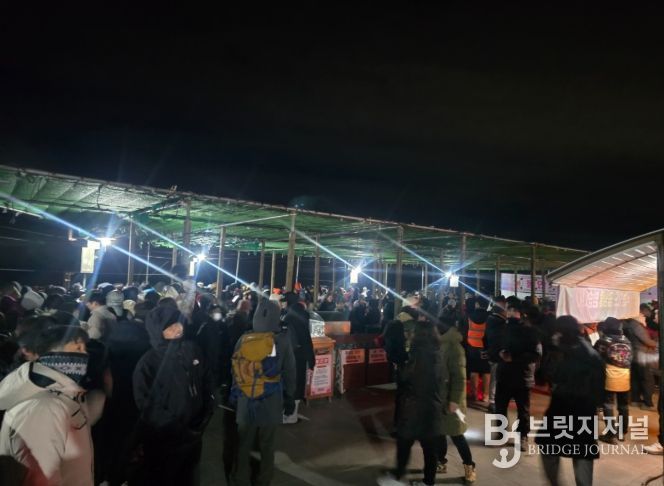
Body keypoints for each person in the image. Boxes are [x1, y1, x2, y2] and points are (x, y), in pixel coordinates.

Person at [0, 325, 104, 486]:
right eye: (78, 348)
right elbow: (39, 479)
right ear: (53, 354)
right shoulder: (43, 408)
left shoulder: (65, 395)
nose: (85, 355)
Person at [133, 302, 215, 486]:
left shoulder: (192, 349)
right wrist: (176, 428)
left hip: (194, 432)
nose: (178, 329)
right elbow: (146, 404)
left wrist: (208, 410)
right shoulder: (148, 363)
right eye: (170, 327)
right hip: (165, 438)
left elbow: (206, 379)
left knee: (190, 476)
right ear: (158, 331)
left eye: (179, 323)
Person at [230, 299, 296, 486]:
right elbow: (290, 371)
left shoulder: (243, 339)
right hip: (271, 400)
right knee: (267, 445)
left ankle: (240, 479)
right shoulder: (282, 340)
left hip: (246, 400)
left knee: (243, 444)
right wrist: (290, 397)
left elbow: (234, 369)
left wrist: (235, 395)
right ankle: (263, 480)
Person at [536, 316, 605, 486]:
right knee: (582, 452)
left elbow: (548, 375)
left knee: (549, 447)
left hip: (562, 408)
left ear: (561, 333)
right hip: (584, 412)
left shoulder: (564, 353)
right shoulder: (589, 351)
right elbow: (600, 388)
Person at [378, 319, 446, 486]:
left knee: (404, 442)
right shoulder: (438, 353)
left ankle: (398, 475)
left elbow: (408, 378)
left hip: (415, 407)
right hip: (433, 406)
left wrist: (401, 370)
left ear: (420, 335)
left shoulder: (418, 355)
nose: (411, 334)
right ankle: (428, 481)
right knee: (429, 449)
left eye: (414, 332)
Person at [494, 300, 540, 451]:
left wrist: (514, 358)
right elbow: (493, 346)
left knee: (523, 410)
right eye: (509, 310)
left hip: (522, 376)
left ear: (522, 313)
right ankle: (501, 433)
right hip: (504, 374)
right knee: (500, 406)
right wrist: (497, 353)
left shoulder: (530, 331)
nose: (511, 313)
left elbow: (536, 354)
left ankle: (523, 436)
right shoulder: (502, 328)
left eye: (514, 310)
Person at [437, 316, 476, 482]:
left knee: (457, 435)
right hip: (439, 397)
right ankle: (441, 462)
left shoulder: (454, 347)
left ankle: (469, 466)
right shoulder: (440, 343)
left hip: (452, 400)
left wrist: (454, 401)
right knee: (439, 433)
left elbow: (460, 378)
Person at [594, 317, 632, 445]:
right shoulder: (626, 340)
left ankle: (611, 435)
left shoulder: (603, 341)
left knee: (608, 404)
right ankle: (621, 433)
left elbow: (596, 358)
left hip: (609, 375)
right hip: (625, 375)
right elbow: (630, 358)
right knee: (623, 406)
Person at [282, 291, 315, 424]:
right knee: (297, 384)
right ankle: (290, 416)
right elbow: (306, 338)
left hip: (286, 353)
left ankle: (286, 413)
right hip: (298, 355)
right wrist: (311, 360)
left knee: (288, 382)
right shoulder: (302, 314)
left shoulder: (287, 313)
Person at [623, 316, 657, 409]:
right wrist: (656, 344)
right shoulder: (636, 326)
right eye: (642, 315)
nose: (644, 317)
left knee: (635, 378)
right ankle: (647, 403)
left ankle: (635, 400)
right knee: (647, 379)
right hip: (642, 355)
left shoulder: (626, 324)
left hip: (632, 354)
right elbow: (647, 341)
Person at [483, 295, 507, 413]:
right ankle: (492, 402)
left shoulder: (490, 320)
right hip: (498, 354)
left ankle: (493, 401)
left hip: (493, 353)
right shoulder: (500, 323)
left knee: (496, 378)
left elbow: (485, 338)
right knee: (496, 379)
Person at [466, 307, 490, 405]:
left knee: (474, 371)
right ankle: (485, 395)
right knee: (486, 371)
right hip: (485, 347)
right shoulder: (489, 317)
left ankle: (474, 394)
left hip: (472, 347)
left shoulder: (470, 316)